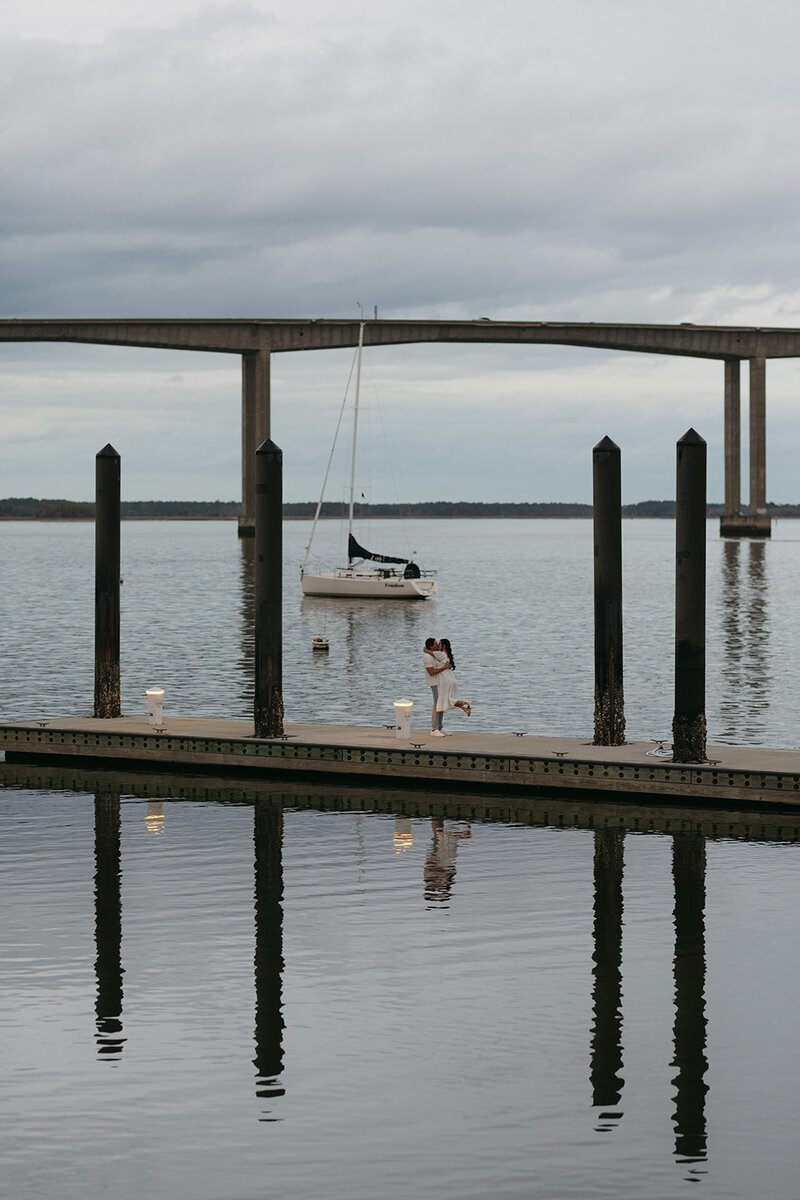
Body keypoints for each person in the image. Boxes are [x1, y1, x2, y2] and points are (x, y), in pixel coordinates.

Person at [434, 638, 472, 720]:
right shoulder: (447, 655)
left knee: (447, 700)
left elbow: (426, 650)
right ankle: (464, 707)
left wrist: (433, 648)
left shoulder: (441, 655)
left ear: (443, 646)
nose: (438, 645)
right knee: (447, 700)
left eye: (439, 644)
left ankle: (465, 703)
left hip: (445, 680)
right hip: (450, 678)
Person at [422, 637, 450, 736]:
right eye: (435, 644)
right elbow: (431, 672)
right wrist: (444, 668)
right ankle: (434, 729)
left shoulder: (434, 654)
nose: (437, 645)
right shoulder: (427, 657)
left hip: (441, 682)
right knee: (437, 704)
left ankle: (439, 727)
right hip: (434, 683)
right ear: (430, 646)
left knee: (441, 704)